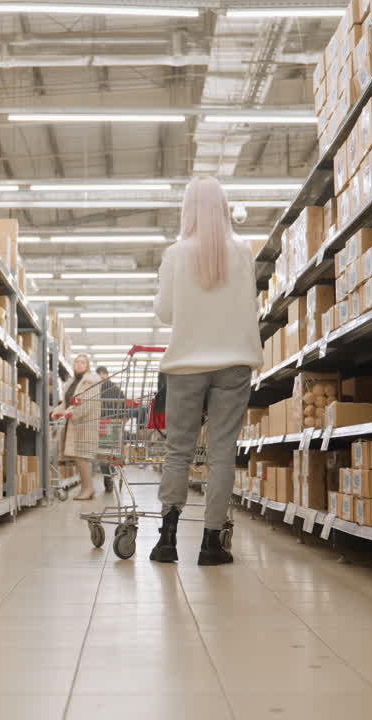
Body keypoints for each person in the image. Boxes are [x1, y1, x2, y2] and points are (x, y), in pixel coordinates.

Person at [150, 176, 264, 565]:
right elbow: (248, 304)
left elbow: (165, 314)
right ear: (224, 207)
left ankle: (167, 539)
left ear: (188, 210)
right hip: (234, 363)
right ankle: (211, 543)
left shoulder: (175, 254)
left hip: (185, 364)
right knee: (221, 453)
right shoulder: (244, 252)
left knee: (178, 450)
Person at [52, 354, 104, 500]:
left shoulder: (90, 381)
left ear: (87, 366)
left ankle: (88, 489)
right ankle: (87, 488)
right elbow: (66, 402)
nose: (79, 364)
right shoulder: (72, 383)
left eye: (83, 362)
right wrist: (58, 411)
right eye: (76, 362)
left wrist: (68, 412)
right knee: (78, 456)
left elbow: (85, 404)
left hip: (85, 423)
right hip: (74, 423)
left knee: (82, 457)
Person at [95, 366, 123, 493]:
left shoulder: (114, 389)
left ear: (107, 374)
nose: (101, 376)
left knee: (107, 454)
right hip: (101, 423)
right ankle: (108, 477)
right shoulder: (94, 389)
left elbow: (124, 407)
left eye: (103, 374)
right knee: (104, 455)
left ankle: (109, 477)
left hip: (110, 423)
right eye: (99, 374)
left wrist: (121, 421)